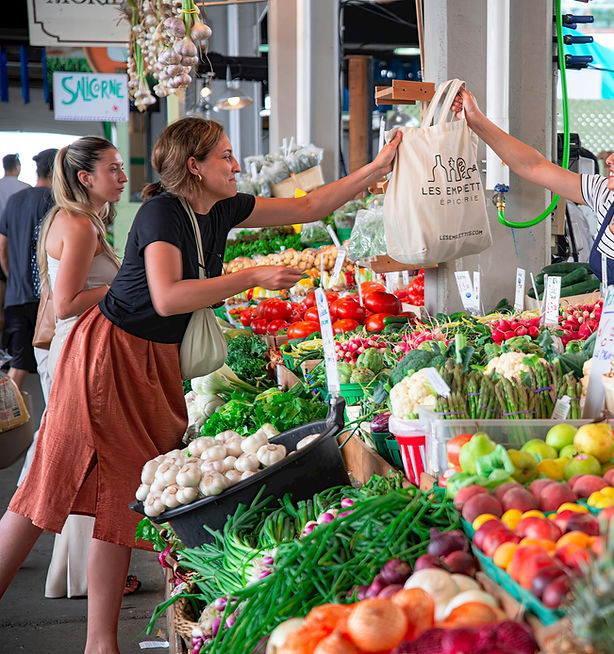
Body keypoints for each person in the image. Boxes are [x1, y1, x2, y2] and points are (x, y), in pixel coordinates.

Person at [0, 116, 400, 654]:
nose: (237, 166)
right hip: (109, 355)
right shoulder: (162, 212)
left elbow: (308, 207)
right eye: (227, 157)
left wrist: (375, 168)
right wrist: (253, 277)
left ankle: (100, 643)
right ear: (195, 166)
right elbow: (166, 298)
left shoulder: (224, 206)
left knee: (125, 496)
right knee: (46, 487)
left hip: (150, 358)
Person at [451, 90, 614, 307]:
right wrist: (477, 121)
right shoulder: (604, 195)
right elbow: (534, 166)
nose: (610, 159)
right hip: (612, 331)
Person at [16, 139, 133, 600]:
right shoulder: (80, 224)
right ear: (87, 178)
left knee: (85, 472)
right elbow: (66, 304)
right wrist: (127, 285)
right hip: (79, 358)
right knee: (66, 472)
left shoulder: (83, 221)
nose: (122, 176)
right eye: (114, 168)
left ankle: (76, 576)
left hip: (83, 354)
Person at [0, 149, 58, 389]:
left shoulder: (15, 200)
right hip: (44, 298)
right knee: (54, 365)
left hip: (16, 296)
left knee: (19, 366)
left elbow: (2, 249)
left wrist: (12, 279)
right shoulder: (54, 200)